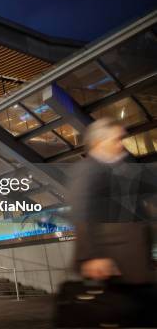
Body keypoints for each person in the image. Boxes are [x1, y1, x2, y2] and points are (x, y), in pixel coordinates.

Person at [67, 118, 156, 327]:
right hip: (113, 263)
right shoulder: (88, 169)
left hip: (133, 262)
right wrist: (92, 256)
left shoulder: (121, 169)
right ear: (99, 142)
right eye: (116, 139)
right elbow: (82, 211)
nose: (121, 144)